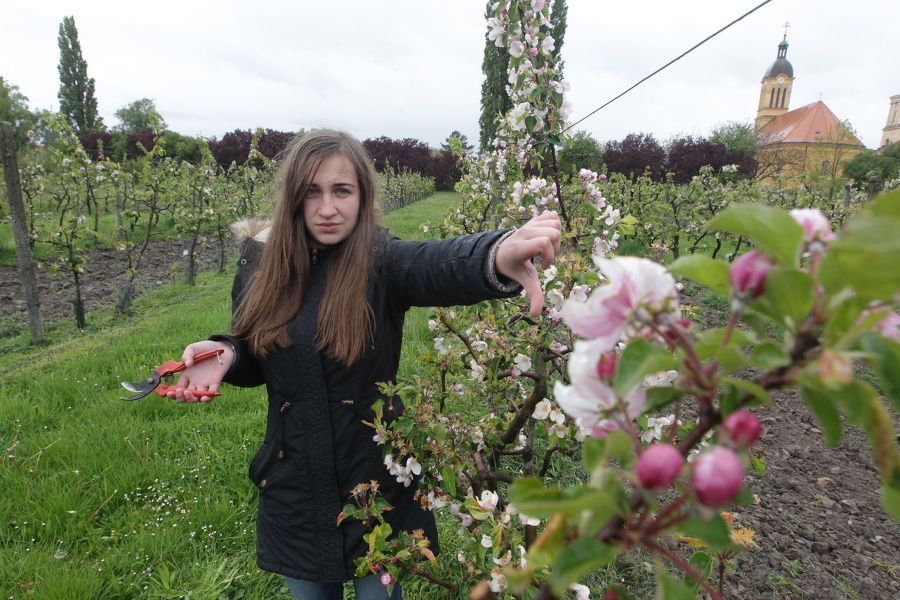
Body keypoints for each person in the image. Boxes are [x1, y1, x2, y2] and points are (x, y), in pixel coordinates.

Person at [168, 129, 561, 600]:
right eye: (311, 191)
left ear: (362, 196)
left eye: (342, 191)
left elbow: (436, 264)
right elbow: (256, 350)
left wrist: (495, 255)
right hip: (295, 490)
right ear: (293, 197)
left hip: (376, 484)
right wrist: (227, 355)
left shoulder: (381, 261)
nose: (327, 208)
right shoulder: (261, 263)